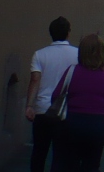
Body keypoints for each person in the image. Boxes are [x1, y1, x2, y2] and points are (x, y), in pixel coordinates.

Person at [50, 33, 104, 172]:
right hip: (97, 124)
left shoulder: (72, 71)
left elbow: (56, 95)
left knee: (69, 163)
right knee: (92, 164)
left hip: (73, 122)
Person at [25, 16, 78, 172]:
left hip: (43, 110)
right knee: (61, 154)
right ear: (68, 33)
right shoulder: (78, 54)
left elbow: (35, 80)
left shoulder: (39, 54)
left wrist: (29, 105)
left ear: (51, 33)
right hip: (65, 110)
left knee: (39, 152)